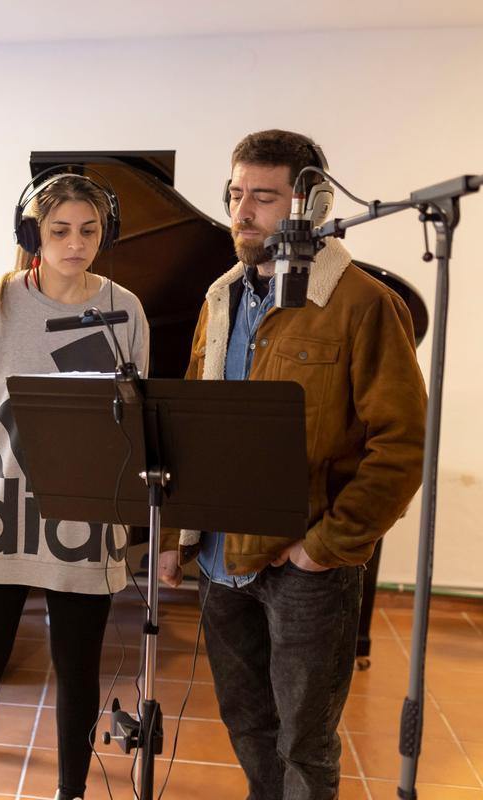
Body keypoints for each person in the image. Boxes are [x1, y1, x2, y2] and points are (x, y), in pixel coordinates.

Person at [159, 130, 427, 800]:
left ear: (311, 202)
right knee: (246, 720)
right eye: (235, 194)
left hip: (307, 566)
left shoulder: (363, 304)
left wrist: (326, 546)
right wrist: (174, 534)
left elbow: (401, 443)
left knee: (304, 745)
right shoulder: (220, 298)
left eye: (264, 197)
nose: (241, 211)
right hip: (222, 555)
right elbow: (192, 423)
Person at [0, 171, 149, 800]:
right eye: (59, 230)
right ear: (32, 233)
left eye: (89, 230)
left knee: (78, 669)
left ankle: (71, 793)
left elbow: (135, 408)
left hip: (84, 508)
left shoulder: (124, 308)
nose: (75, 243)